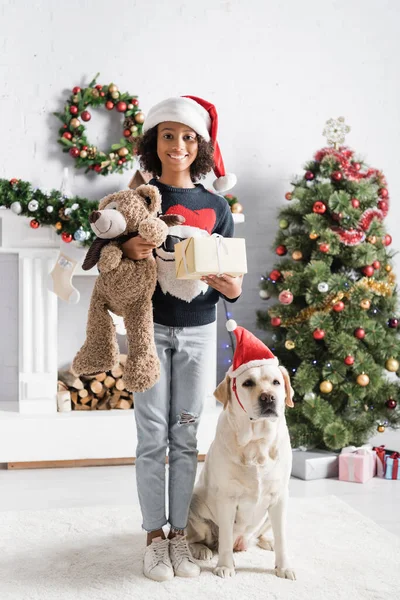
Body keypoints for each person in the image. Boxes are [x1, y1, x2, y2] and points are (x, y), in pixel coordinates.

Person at [121, 96, 243, 582]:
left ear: (201, 145)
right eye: (168, 136)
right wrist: (131, 245)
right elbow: (112, 255)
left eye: (188, 137)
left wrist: (226, 285)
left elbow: (234, 284)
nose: (178, 146)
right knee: (152, 435)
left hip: (198, 332)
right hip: (148, 327)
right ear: (154, 142)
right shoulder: (139, 200)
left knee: (186, 432)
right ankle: (155, 537)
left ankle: (180, 540)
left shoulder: (216, 206)